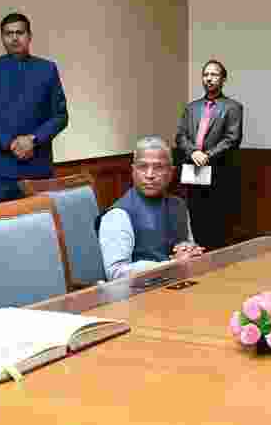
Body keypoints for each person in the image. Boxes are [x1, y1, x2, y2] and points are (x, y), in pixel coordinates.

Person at [0, 13, 69, 202]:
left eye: (19, 32)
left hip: (38, 168)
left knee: (41, 220)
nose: (14, 38)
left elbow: (60, 116)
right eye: (8, 33)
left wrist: (33, 139)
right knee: (0, 221)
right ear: (2, 37)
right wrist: (11, 143)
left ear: (29, 36)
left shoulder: (47, 69)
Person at [99, 136, 203, 281]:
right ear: (133, 171)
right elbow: (116, 273)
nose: (150, 175)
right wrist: (172, 265)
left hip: (179, 284)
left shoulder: (179, 205)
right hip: (140, 291)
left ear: (171, 172)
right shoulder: (118, 215)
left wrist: (189, 250)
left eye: (158, 167)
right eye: (143, 167)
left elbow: (186, 244)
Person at [174, 60, 244, 249]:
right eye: (206, 74)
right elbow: (180, 136)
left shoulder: (233, 107)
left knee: (217, 221)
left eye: (214, 74)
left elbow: (232, 138)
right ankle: (197, 254)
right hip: (192, 169)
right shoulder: (191, 108)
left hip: (218, 172)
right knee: (194, 217)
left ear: (223, 79)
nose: (209, 78)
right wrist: (193, 152)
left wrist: (208, 155)